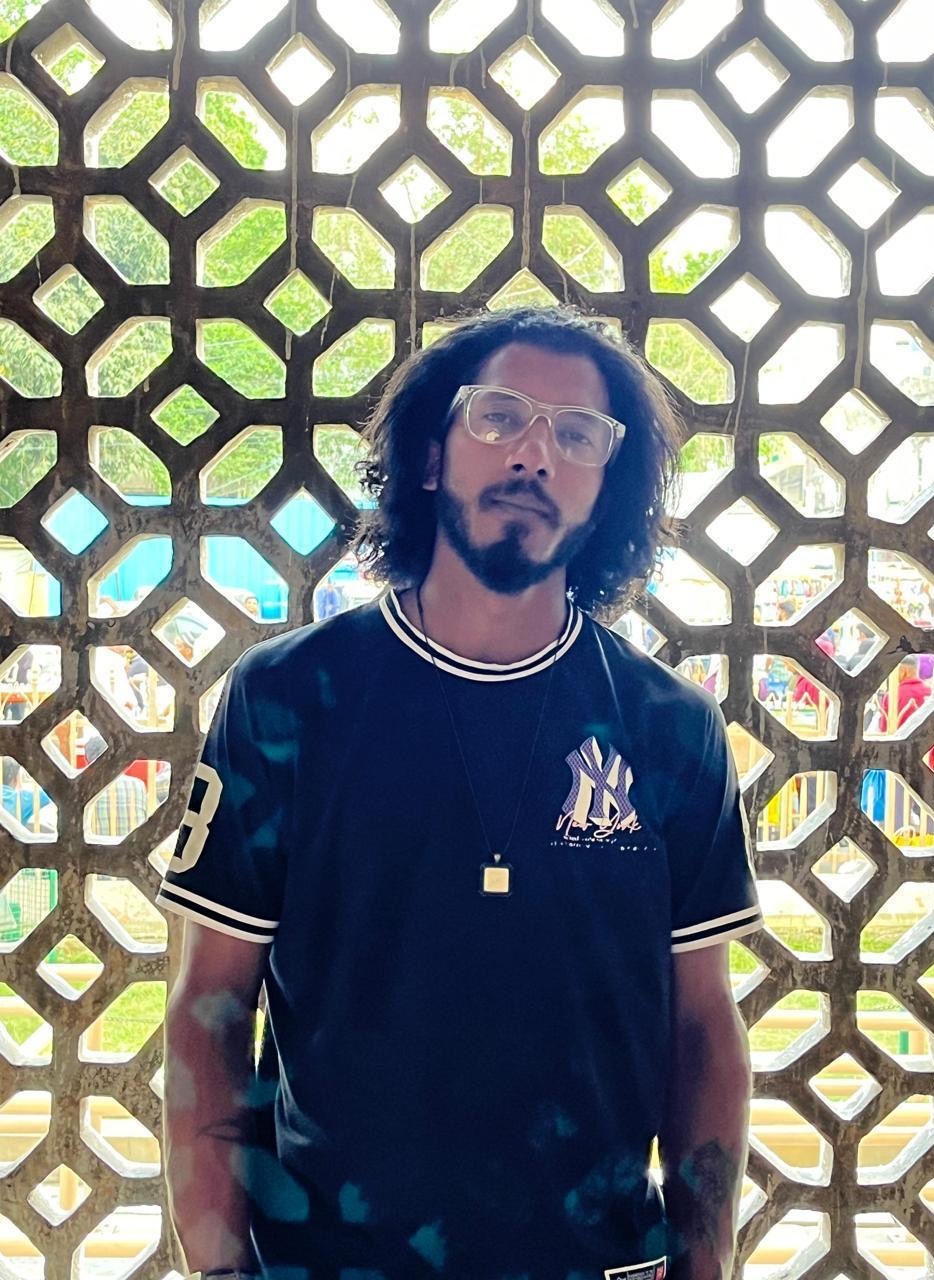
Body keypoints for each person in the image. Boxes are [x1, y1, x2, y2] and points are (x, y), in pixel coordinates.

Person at [158, 307, 762, 1280]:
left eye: (578, 435)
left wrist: (705, 1265)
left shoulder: (669, 728)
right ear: (431, 454)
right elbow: (212, 1005)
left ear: (606, 490)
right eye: (499, 416)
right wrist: (223, 1269)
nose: (534, 453)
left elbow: (702, 1028)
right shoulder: (287, 700)